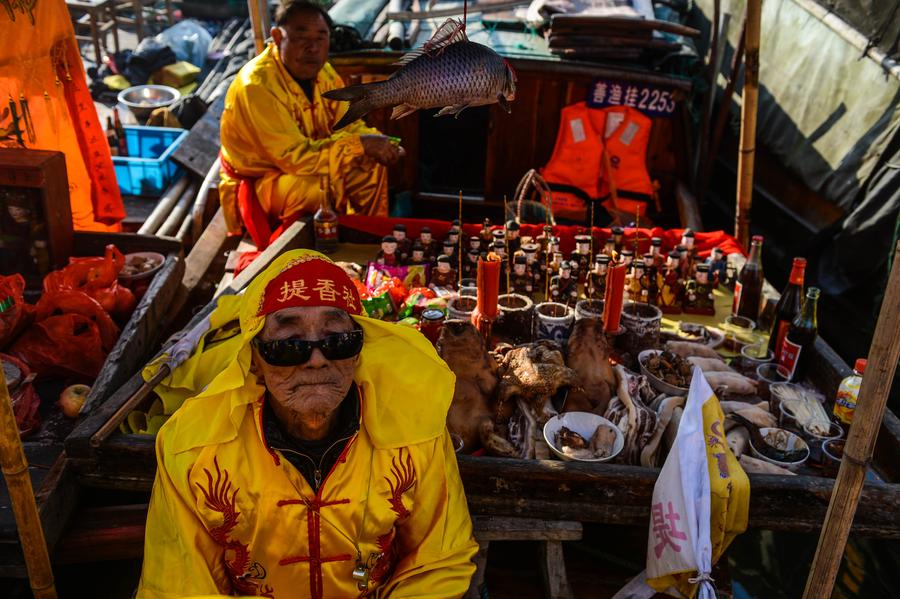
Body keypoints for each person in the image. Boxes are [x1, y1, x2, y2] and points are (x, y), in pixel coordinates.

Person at [137, 250, 477, 598]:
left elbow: (440, 560)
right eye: (289, 345)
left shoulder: (414, 432)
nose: (316, 360)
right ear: (254, 358)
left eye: (336, 341)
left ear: (359, 351)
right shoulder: (193, 451)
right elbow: (178, 585)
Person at [219, 1, 405, 248]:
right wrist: (359, 144)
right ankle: (308, 251)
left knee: (370, 162)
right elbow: (293, 157)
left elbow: (346, 125)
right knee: (316, 188)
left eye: (321, 37)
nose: (312, 47)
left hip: (308, 162)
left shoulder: (324, 72)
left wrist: (381, 143)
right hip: (264, 180)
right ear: (276, 36)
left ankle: (367, 241)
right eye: (300, 36)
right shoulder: (256, 85)